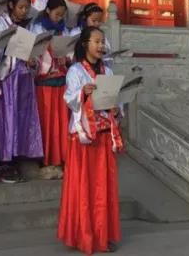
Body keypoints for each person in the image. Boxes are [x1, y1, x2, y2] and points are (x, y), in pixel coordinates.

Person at [57, 26, 123, 255]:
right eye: (96, 41)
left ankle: (103, 235)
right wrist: (82, 92)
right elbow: (69, 99)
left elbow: (115, 100)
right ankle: (83, 235)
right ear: (85, 44)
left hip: (104, 135)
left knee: (103, 187)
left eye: (102, 41)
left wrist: (117, 108)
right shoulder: (75, 71)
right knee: (84, 187)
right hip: (84, 136)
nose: (101, 45)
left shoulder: (108, 71)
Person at [0, 0, 43, 184]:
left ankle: (20, 153)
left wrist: (33, 60)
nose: (23, 11)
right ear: (11, 5)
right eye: (20, 7)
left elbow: (35, 50)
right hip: (8, 76)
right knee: (7, 116)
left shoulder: (29, 25)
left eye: (26, 8)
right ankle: (5, 160)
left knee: (23, 117)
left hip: (24, 77)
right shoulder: (1, 22)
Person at [31, 0, 70, 179]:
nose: (59, 18)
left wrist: (66, 58)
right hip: (44, 81)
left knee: (60, 122)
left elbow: (70, 52)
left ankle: (62, 158)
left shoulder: (64, 31)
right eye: (57, 14)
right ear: (47, 11)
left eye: (62, 15)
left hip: (61, 80)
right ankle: (46, 159)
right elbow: (33, 52)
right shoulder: (37, 28)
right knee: (46, 121)